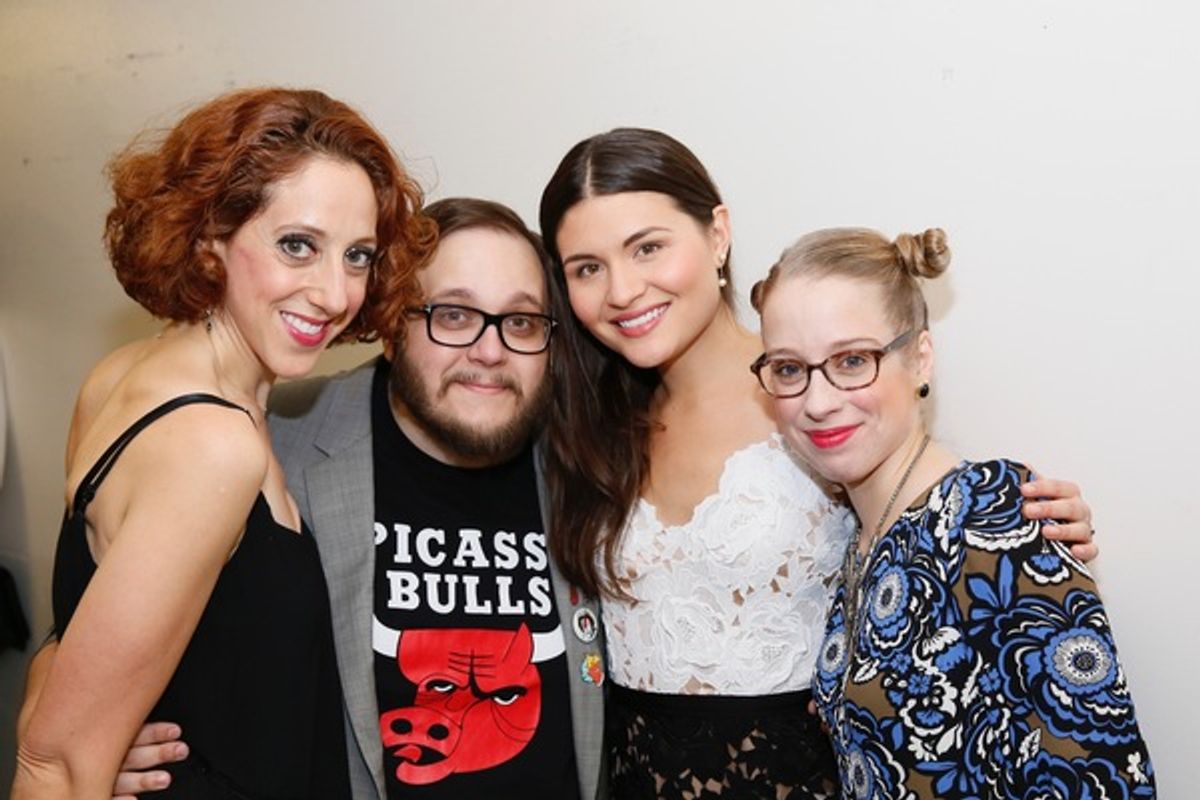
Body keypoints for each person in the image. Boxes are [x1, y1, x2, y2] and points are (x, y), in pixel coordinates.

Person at [537, 128, 1098, 798]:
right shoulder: (587, 427)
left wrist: (1015, 525)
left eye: (648, 247)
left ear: (718, 234)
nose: (623, 290)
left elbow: (919, 520)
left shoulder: (813, 400)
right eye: (586, 268)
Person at [76, 197, 607, 798]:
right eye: (453, 315)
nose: (490, 350)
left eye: (521, 322)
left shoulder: (590, 465)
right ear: (389, 328)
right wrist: (91, 726)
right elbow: (104, 612)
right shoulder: (272, 446)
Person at [13, 87, 434, 798]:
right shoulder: (214, 444)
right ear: (211, 240)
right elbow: (51, 766)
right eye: (296, 245)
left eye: (357, 256)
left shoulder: (120, 375)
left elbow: (82, 622)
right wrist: (67, 746)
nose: (334, 293)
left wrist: (49, 701)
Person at [752, 227, 1155, 798]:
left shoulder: (997, 514)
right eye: (790, 369)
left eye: (851, 360)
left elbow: (1099, 772)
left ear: (920, 358)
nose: (818, 401)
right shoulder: (855, 543)